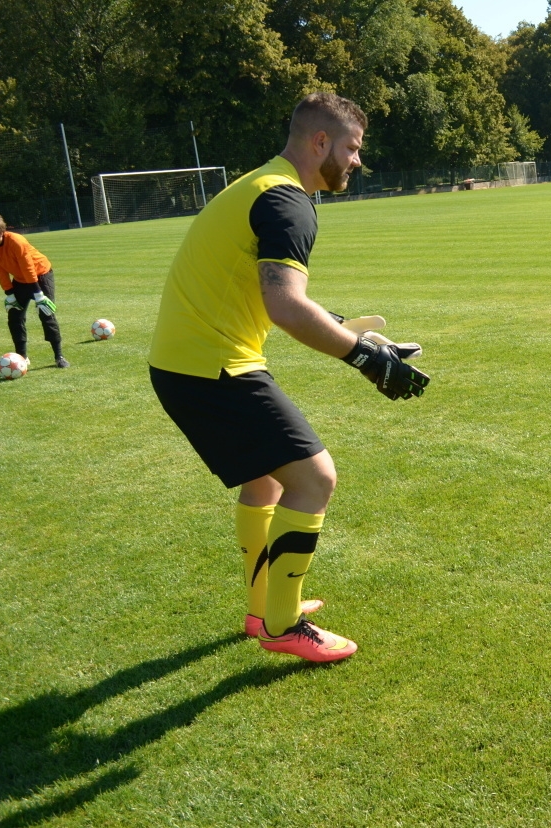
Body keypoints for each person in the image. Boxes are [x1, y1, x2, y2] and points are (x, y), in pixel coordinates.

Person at [148, 92, 430, 663]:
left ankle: (263, 610)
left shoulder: (262, 185)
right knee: (315, 478)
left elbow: (270, 289)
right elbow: (285, 305)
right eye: (351, 148)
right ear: (319, 142)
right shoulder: (287, 202)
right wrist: (367, 361)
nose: (357, 161)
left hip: (187, 361)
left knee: (267, 483)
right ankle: (282, 625)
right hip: (212, 366)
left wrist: (351, 329)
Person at [0, 211, 68, 368]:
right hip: (20, 279)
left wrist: (38, 294)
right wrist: (9, 293)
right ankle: (21, 357)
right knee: (14, 316)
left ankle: (59, 356)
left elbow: (28, 267)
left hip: (41, 275)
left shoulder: (16, 241)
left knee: (46, 312)